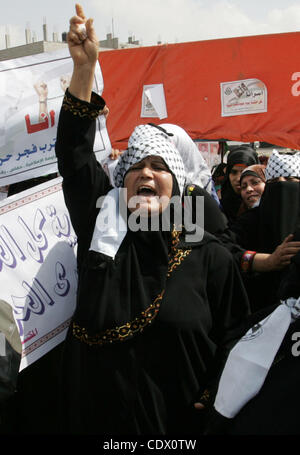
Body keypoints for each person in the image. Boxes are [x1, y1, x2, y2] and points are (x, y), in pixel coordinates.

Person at [55, 4, 250, 435]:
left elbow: (237, 334)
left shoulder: (209, 257)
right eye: (136, 166)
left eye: (159, 167)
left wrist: (212, 392)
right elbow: (74, 157)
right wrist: (85, 70)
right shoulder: (100, 230)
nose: (145, 172)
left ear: (178, 189)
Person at [219, 145, 259, 222]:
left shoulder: (266, 207)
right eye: (234, 172)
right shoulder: (219, 208)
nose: (238, 179)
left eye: (244, 172)